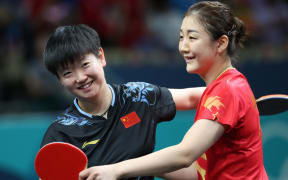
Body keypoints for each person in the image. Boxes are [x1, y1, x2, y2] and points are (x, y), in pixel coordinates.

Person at [78, 1, 269, 180]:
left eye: (192, 38)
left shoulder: (227, 90)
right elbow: (197, 171)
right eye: (181, 37)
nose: (183, 47)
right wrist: (123, 161)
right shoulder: (222, 88)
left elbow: (185, 154)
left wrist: (117, 170)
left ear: (221, 43)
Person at [39, 24, 205, 180]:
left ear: (101, 57)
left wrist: (230, 83)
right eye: (68, 73)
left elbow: (194, 97)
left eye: (85, 64)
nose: (80, 78)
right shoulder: (60, 134)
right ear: (60, 80)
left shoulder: (138, 96)